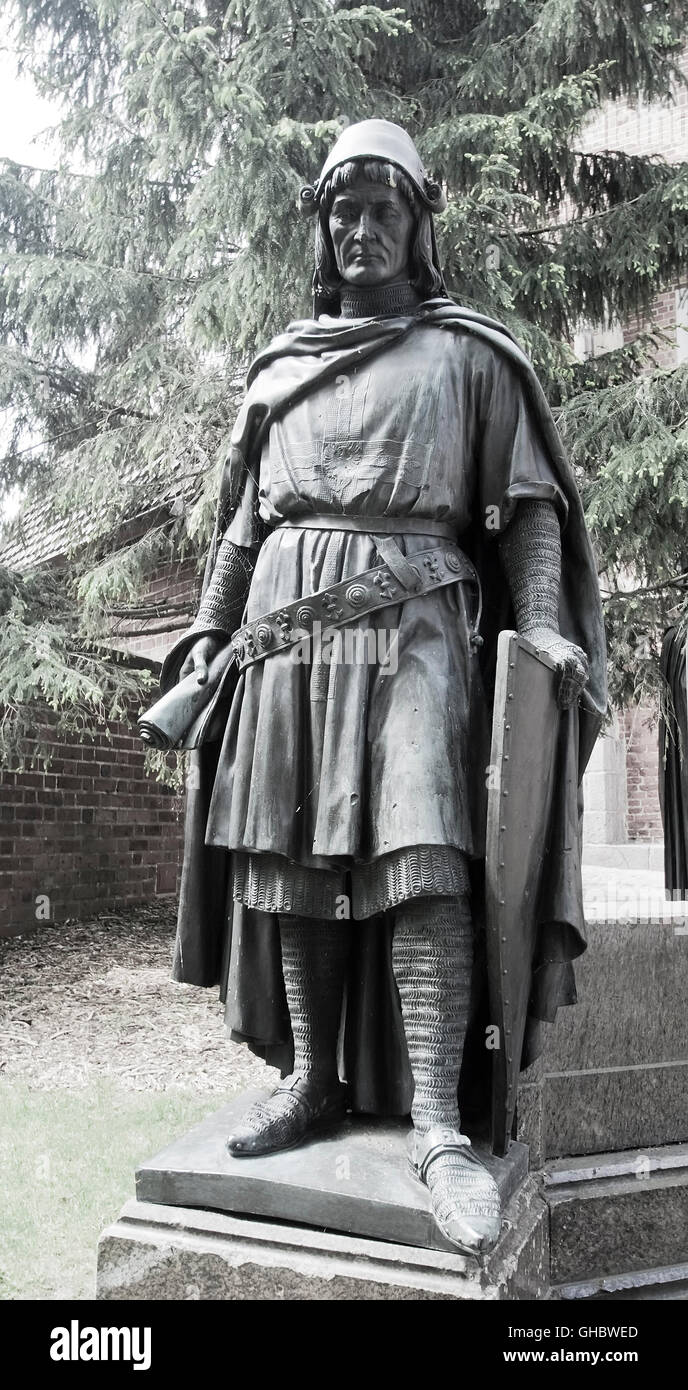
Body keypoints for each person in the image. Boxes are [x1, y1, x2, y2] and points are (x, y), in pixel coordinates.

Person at [159, 120, 606, 1256]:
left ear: (417, 226)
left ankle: (442, 1124)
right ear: (324, 228)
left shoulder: (469, 357)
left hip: (416, 623)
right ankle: (312, 1078)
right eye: (342, 212)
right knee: (292, 860)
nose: (361, 231)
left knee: (425, 859)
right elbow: (240, 526)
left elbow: (531, 508)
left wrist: (546, 631)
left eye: (383, 211)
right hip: (284, 632)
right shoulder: (280, 365)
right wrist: (210, 636)